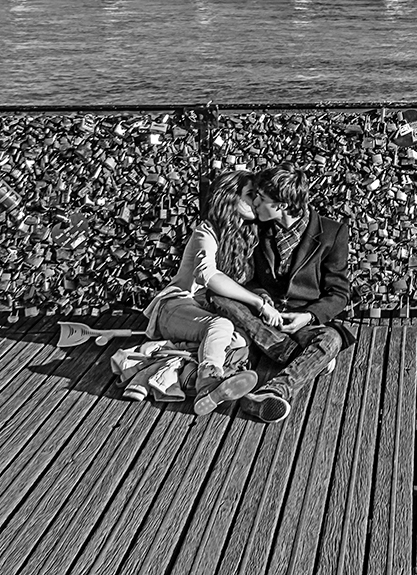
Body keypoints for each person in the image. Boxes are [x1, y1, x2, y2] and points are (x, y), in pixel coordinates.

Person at [143, 170, 296, 416]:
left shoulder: (248, 235)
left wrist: (264, 297)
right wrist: (258, 303)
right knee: (221, 326)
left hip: (208, 315)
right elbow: (208, 275)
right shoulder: (207, 230)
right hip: (177, 307)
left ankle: (219, 389)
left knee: (240, 342)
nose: (255, 202)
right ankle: (208, 381)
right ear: (229, 197)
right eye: (249, 195)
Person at [207, 167, 353, 424]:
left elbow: (339, 293)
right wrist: (263, 300)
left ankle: (273, 392)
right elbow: (247, 279)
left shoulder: (333, 233)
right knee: (221, 298)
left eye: (261, 198)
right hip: (262, 318)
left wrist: (308, 316)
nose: (254, 202)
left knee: (331, 338)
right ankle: (306, 359)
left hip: (301, 323)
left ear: (282, 205)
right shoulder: (257, 229)